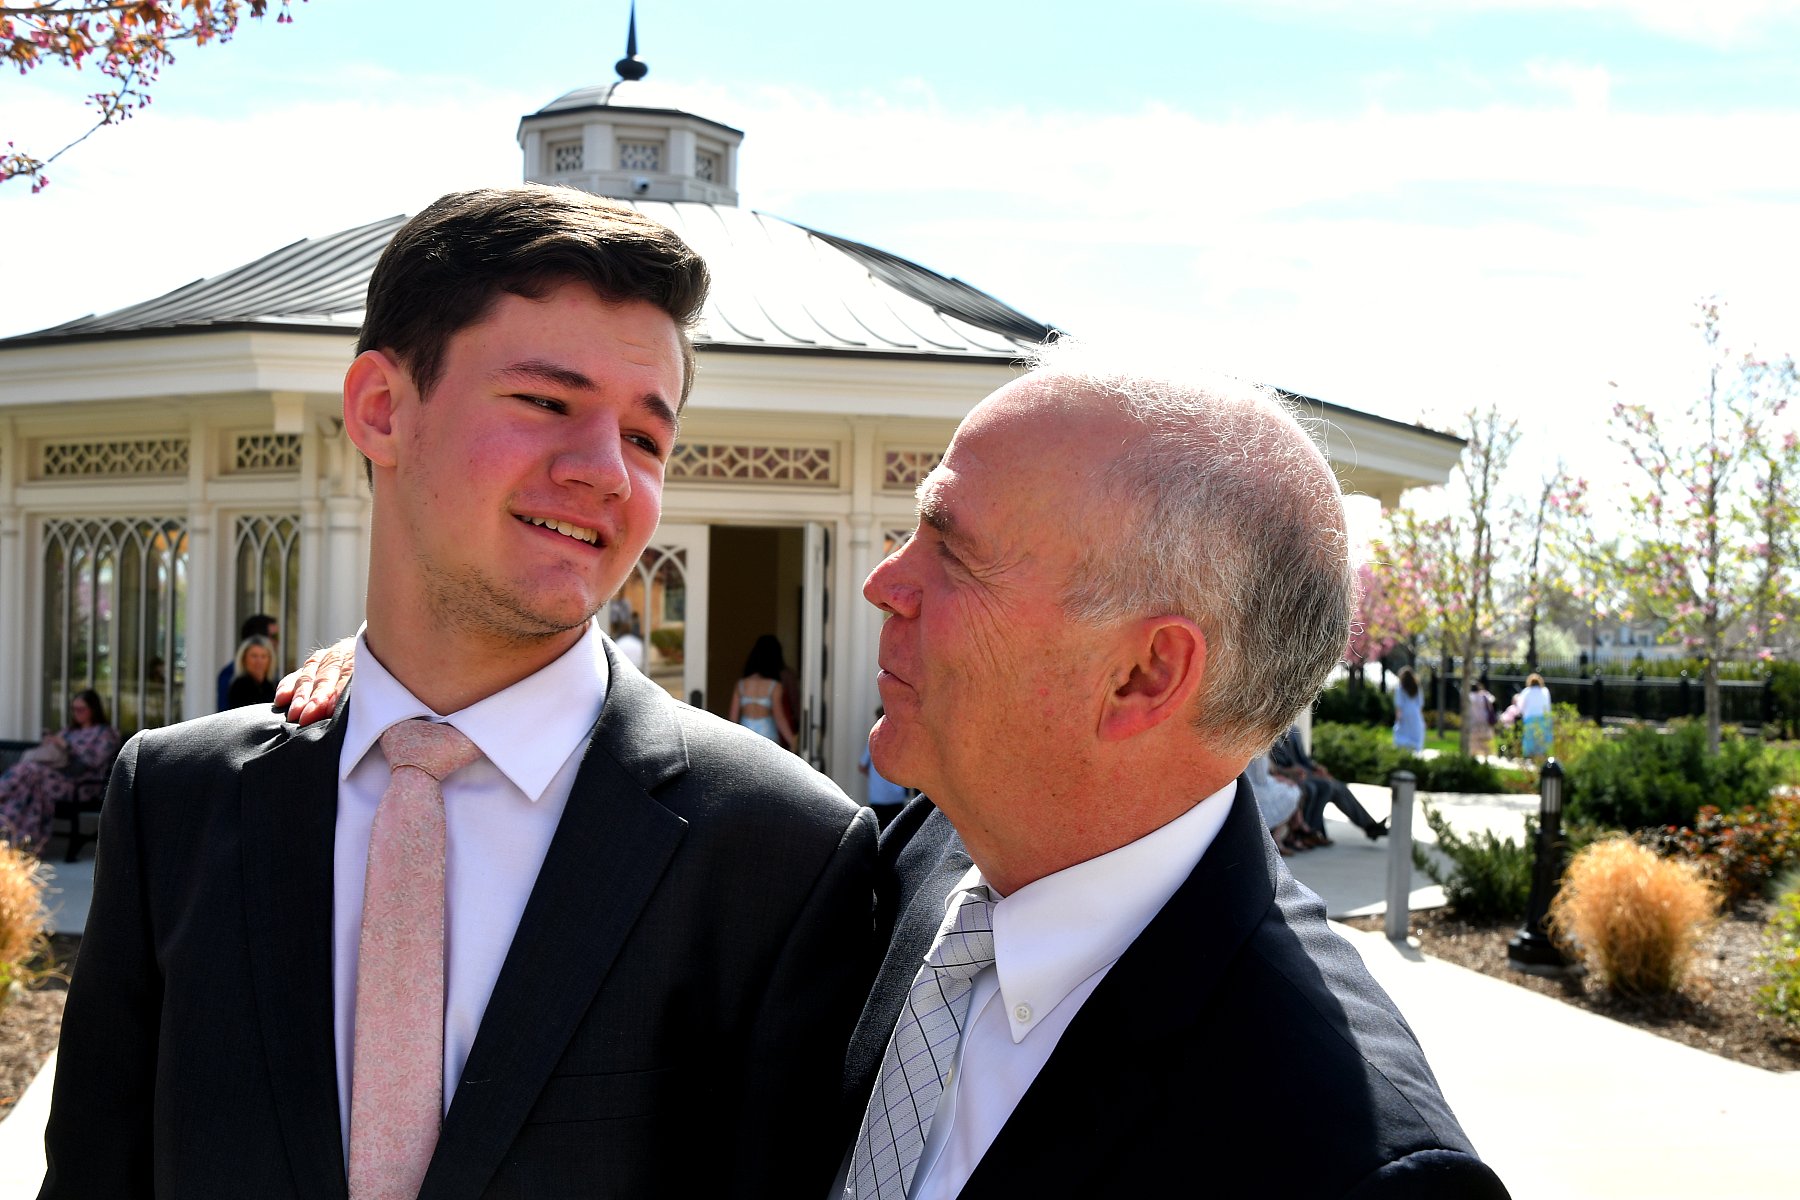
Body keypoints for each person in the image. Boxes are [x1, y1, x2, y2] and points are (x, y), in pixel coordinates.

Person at [42, 186, 878, 1199]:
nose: (608, 473)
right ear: (382, 409)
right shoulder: (177, 802)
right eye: (548, 403)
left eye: (646, 439)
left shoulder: (779, 851)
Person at [842, 347, 1507, 1197]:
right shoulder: (920, 853)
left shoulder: (1355, 1166)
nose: (884, 583)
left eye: (954, 551)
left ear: (1143, 676)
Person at [0, 689, 120, 857]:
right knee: (31, 787)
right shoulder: (69, 731)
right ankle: (17, 842)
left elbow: (90, 763)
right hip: (51, 778)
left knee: (30, 770)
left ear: (93, 709)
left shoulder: (105, 734)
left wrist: (67, 747)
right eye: (74, 709)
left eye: (81, 709)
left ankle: (19, 838)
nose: (77, 713)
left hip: (81, 784)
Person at [1270, 723, 1389, 842]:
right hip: (1287, 776)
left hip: (1305, 773)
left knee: (1338, 787)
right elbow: (1271, 766)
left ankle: (1370, 826)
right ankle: (1312, 832)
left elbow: (1303, 759)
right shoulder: (1270, 732)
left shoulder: (1294, 730)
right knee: (1324, 786)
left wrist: (1316, 768)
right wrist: (1291, 771)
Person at [728, 633, 798, 747]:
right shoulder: (774, 686)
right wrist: (792, 742)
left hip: (745, 737)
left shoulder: (741, 684)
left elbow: (733, 718)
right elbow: (779, 717)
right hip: (768, 735)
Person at [858, 707, 909, 830]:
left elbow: (862, 766)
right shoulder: (902, 740)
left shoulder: (874, 740)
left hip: (877, 796)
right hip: (896, 796)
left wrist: (875, 777)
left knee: (880, 834)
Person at [218, 613, 278, 711]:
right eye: (274, 636)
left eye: (263, 656)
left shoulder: (271, 683)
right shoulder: (231, 677)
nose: (277, 641)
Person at [1505, 672, 1554, 761]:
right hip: (1544, 718)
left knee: (1530, 739)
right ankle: (1541, 758)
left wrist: (1522, 713)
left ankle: (1530, 758)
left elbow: (1520, 707)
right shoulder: (1545, 691)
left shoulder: (1526, 691)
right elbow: (1548, 705)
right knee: (1542, 739)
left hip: (1530, 718)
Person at [225, 634, 278, 709]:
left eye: (263, 656)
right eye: (254, 656)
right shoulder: (239, 687)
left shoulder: (274, 686)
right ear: (243, 659)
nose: (259, 661)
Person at [1392, 665, 1426, 751]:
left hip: (1404, 713)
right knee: (1415, 734)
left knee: (1402, 735)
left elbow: (1399, 706)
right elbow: (1420, 704)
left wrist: (1397, 720)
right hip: (1415, 713)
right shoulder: (1417, 688)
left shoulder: (1400, 689)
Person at [1466, 677, 1497, 757]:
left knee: (1473, 742)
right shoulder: (1484, 695)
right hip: (1485, 721)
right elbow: (1493, 700)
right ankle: (1486, 757)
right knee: (1486, 741)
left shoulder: (1470, 697)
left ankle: (1472, 757)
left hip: (1473, 722)